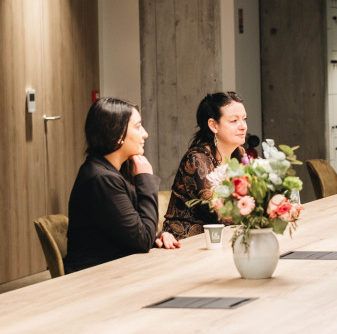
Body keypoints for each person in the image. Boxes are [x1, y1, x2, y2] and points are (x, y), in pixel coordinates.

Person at [63, 98, 179, 274]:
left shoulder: (107, 172)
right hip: (95, 278)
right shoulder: (101, 178)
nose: (145, 133)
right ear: (116, 135)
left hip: (116, 270)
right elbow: (142, 240)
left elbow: (127, 231)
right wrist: (145, 179)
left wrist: (157, 237)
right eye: (138, 126)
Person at [163, 92, 247, 240]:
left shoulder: (238, 153)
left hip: (221, 239)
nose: (243, 126)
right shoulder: (197, 159)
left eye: (244, 119)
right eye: (234, 120)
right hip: (184, 243)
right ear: (213, 125)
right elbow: (221, 214)